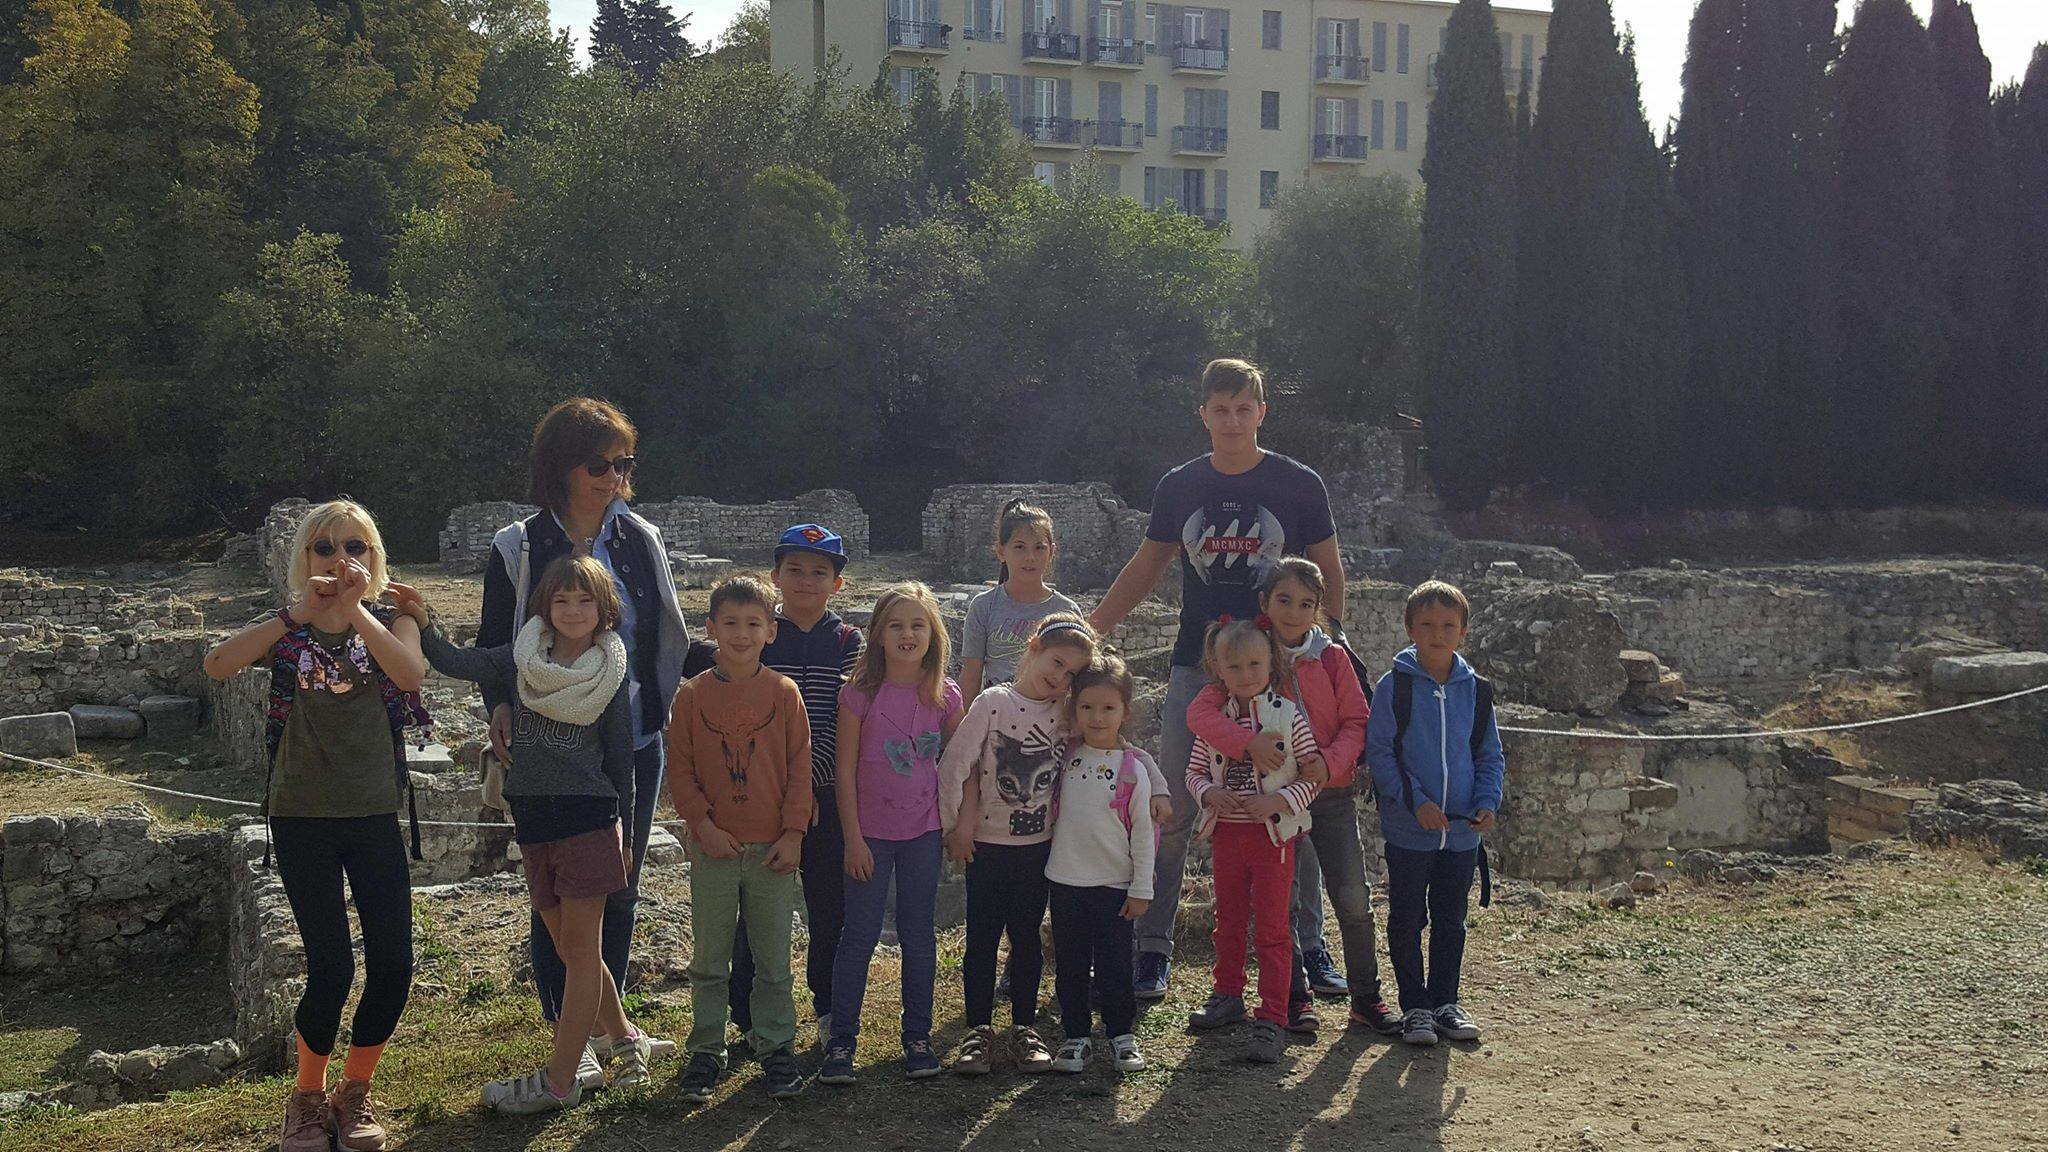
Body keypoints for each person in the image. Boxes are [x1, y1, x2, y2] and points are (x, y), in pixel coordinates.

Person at [1087, 358, 1346, 1002]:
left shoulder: (1298, 484)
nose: (1233, 421)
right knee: (1176, 805)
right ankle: (1153, 947)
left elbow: (1327, 571)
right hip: (1196, 666)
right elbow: (1146, 566)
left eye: (1243, 409)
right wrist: (1091, 633)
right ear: (1203, 414)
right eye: (1221, 410)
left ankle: (1309, 947)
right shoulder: (1180, 487)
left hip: (1279, 668)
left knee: (1294, 806)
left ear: (1262, 412)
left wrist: (1328, 644)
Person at [203, 500, 429, 1152]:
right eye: (325, 547)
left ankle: (354, 1092)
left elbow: (410, 674)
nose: (340, 558)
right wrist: (297, 613)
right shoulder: (289, 627)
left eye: (355, 546)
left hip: (373, 811)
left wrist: (356, 609)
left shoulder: (392, 619)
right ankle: (306, 1097)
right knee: (330, 968)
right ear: (305, 556)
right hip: (302, 815)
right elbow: (218, 664)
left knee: (393, 965)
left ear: (373, 556)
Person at [393, 558, 655, 1112]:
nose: (574, 611)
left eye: (585, 601)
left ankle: (560, 1082)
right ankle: (627, 1040)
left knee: (580, 953)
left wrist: (629, 835)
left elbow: (621, 762)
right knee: (570, 948)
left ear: (604, 609)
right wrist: (423, 618)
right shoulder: (522, 659)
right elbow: (457, 662)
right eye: (562, 600)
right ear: (545, 607)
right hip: (535, 821)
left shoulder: (609, 673)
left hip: (587, 819)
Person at [477, 398, 691, 1063]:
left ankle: (608, 1034)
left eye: (624, 463)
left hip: (631, 739)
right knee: (555, 895)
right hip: (550, 749)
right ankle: (574, 1036)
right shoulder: (518, 546)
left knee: (616, 887)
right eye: (600, 465)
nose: (615, 477)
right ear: (562, 466)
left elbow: (662, 633)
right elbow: (493, 641)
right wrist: (498, 705)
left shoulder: (640, 538)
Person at [1184, 558, 1402, 1036]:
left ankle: (1366, 997)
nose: (1294, 612)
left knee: (1352, 897)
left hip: (1331, 794)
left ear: (1318, 609)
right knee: (1284, 903)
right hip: (1276, 801)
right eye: (1284, 600)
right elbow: (1201, 714)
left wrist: (1329, 761)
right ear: (1264, 602)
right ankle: (1294, 998)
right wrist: (1247, 745)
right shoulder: (1251, 654)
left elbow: (1357, 721)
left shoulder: (1332, 657)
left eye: (1306, 603)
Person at [668, 575, 815, 1102]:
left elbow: (800, 768)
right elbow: (680, 770)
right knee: (710, 958)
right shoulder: (692, 696)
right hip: (715, 850)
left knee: (773, 959)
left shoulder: (784, 694)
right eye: (730, 623)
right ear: (711, 629)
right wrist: (703, 827)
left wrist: (794, 833)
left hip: (772, 850)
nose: (741, 634)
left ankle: (776, 1046)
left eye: (753, 624)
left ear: (771, 631)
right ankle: (707, 1049)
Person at [818, 583, 964, 1086]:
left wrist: (961, 822)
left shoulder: (945, 695)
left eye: (918, 625)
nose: (907, 634)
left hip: (923, 831)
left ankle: (918, 1038)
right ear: (878, 635)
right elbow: (844, 770)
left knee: (919, 936)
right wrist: (853, 839)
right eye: (896, 625)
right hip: (871, 836)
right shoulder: (859, 693)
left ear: (933, 635)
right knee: (858, 936)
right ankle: (842, 1041)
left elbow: (963, 761)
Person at [937, 615, 1095, 1076]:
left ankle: (1024, 1027)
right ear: (1034, 646)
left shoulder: (1067, 714)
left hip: (1038, 847)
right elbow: (955, 765)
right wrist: (953, 827)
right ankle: (978, 1029)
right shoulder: (993, 703)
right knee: (982, 938)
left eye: (1071, 673)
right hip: (986, 845)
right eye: (1057, 662)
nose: (1060, 677)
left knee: (1027, 939)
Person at [727, 525, 864, 1051]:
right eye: (795, 570)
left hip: (825, 796)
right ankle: (748, 1015)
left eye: (819, 572)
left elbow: (842, 722)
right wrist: (780, 789)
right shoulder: (761, 635)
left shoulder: (849, 642)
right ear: (775, 576)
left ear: (837, 584)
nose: (806, 581)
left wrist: (803, 789)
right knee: (755, 911)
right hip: (762, 796)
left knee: (830, 909)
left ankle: (828, 1008)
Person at [1365, 580, 1505, 1048]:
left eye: (1448, 625)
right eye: (1427, 625)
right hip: (1411, 830)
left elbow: (1489, 754)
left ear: (1463, 632)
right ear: (1410, 629)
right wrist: (1417, 802)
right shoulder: (1395, 687)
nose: (1437, 634)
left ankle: (1446, 1001)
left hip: (1461, 833)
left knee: (1451, 920)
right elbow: (1381, 753)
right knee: (1407, 919)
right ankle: (1416, 1007)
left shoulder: (1477, 691)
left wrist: (1487, 802)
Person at [1185, 617, 1322, 1064]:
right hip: (1228, 835)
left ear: (1271, 663)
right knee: (1227, 919)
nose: (1246, 674)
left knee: (1272, 928)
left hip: (1272, 838)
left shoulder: (1289, 716)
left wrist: (1279, 801)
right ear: (1218, 669)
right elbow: (1194, 772)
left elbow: (1313, 775)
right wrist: (1210, 793)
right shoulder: (1216, 723)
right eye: (1235, 666)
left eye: (1255, 664)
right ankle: (1227, 994)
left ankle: (1273, 1016)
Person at [1044, 657, 1155, 1075]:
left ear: (1125, 712)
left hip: (1114, 885)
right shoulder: (1065, 756)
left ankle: (1121, 1034)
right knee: (1070, 963)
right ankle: (1076, 1036)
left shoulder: (1134, 770)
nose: (1097, 717)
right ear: (1074, 709)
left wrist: (1141, 888)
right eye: (1087, 707)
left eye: (1108, 708)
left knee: (1115, 964)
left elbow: (1143, 833)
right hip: (1066, 881)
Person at [960, 498, 1081, 702]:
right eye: (1019, 547)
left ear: (1051, 552)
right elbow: (971, 676)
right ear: (1001, 551)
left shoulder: (1066, 611)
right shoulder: (983, 606)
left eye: (1039, 548)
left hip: (1049, 717)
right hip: (996, 714)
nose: (1030, 557)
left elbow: (1076, 678)